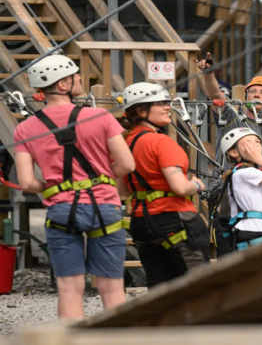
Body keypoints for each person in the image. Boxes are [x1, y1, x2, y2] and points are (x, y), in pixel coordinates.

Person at [14, 54, 135, 319]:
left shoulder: (26, 128)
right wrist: (102, 177)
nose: (79, 78)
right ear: (63, 85)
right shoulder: (100, 116)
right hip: (104, 206)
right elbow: (126, 164)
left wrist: (55, 186)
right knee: (112, 288)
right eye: (75, 75)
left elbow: (25, 182)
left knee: (69, 289)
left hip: (61, 209)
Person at [119, 82, 211, 288]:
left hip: (141, 221)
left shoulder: (125, 142)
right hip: (174, 218)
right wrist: (196, 185)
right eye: (160, 103)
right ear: (141, 111)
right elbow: (179, 187)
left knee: (159, 286)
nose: (167, 107)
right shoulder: (162, 142)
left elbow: (123, 190)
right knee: (198, 286)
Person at [196, 53, 262, 162]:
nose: (256, 95)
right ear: (246, 97)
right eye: (252, 91)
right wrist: (209, 73)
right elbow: (215, 94)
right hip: (229, 178)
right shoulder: (233, 119)